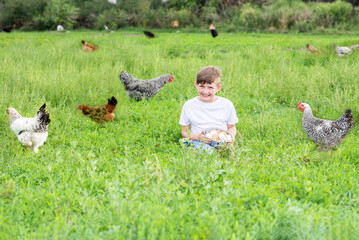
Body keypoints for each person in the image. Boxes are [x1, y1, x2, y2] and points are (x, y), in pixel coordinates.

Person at [179, 66, 238, 153]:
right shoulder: (189, 105)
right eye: (202, 86)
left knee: (229, 152)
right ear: (196, 85)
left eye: (210, 87)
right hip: (198, 141)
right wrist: (198, 137)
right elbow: (184, 132)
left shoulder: (227, 104)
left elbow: (231, 127)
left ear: (218, 88)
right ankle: (194, 149)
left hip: (221, 141)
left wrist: (230, 138)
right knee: (208, 152)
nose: (205, 91)